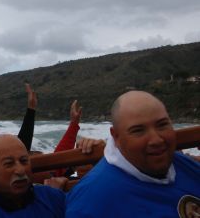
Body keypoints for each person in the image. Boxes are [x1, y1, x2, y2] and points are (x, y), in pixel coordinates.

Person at [66, 91, 200, 217]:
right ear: (116, 136)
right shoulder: (92, 202)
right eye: (138, 131)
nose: (156, 140)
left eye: (162, 125)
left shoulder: (183, 164)